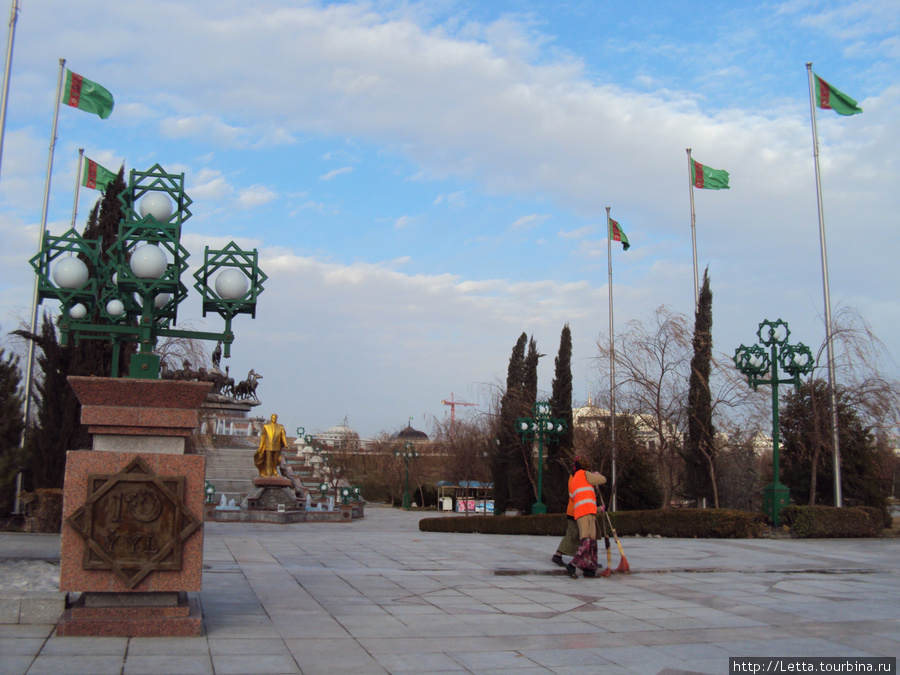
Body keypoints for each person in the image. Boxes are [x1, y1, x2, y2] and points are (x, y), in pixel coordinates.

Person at [565, 456, 606, 579]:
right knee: (587, 541)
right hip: (587, 513)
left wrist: (598, 509)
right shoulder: (585, 474)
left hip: (582, 513)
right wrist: (596, 475)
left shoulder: (574, 480)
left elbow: (577, 497)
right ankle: (573, 564)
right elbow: (603, 479)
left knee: (591, 541)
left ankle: (589, 569)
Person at [551, 478, 579, 568]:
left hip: (577, 510)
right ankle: (558, 554)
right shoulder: (575, 478)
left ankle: (585, 557)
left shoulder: (577, 476)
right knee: (572, 533)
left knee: (578, 535)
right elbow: (574, 494)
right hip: (575, 511)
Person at [255, 413, 289, 477]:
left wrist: (285, 444)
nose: (274, 419)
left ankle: (275, 471)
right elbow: (263, 436)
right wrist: (261, 446)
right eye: (273, 418)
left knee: (275, 460)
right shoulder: (266, 426)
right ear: (271, 418)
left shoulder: (280, 427)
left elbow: (283, 436)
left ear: (277, 419)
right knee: (268, 460)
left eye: (275, 418)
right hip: (268, 446)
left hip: (277, 446)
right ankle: (268, 472)